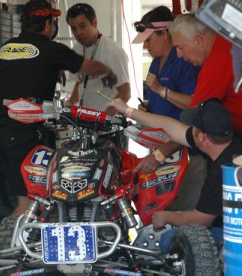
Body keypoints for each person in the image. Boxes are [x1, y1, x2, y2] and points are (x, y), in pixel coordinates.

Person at [0, 0, 118, 216]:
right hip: (21, 134)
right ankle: (16, 246)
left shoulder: (5, 48)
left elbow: (20, 76)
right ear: (48, 24)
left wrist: (51, 70)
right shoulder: (51, 49)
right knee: (28, 202)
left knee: (24, 197)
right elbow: (90, 68)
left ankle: (17, 241)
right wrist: (109, 73)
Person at [107, 97, 242, 251]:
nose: (188, 129)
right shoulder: (228, 143)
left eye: (193, 127)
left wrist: (165, 216)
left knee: (168, 240)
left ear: (201, 136)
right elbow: (170, 126)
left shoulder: (224, 170)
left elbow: (200, 220)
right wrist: (128, 111)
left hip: (236, 237)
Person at [132, 6, 205, 211]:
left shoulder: (184, 60)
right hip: (163, 144)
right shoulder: (156, 62)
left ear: (164, 34)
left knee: (187, 203)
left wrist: (162, 91)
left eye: (148, 39)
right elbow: (161, 100)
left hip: (187, 146)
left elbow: (195, 104)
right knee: (163, 202)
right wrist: (149, 109)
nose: (146, 45)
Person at [65, 3, 131, 116]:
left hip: (103, 123)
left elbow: (125, 93)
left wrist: (105, 118)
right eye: (74, 28)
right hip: (83, 120)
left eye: (82, 26)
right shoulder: (76, 48)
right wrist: (70, 103)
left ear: (94, 23)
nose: (78, 33)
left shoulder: (113, 51)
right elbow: (79, 82)